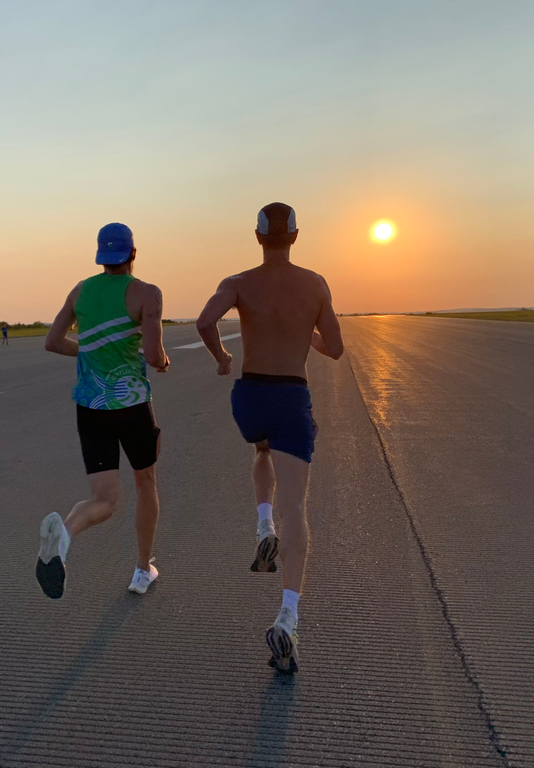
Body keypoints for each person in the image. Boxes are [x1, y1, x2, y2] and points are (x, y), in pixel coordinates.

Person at [195, 202, 344, 673]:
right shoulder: (315, 283)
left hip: (251, 395)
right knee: (297, 505)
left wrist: (221, 356)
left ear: (258, 237)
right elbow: (335, 349)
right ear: (295, 236)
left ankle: (263, 527)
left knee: (260, 449)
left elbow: (204, 321)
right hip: (291, 395)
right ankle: (287, 618)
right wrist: (308, 337)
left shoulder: (238, 282)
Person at [37, 223, 170, 600]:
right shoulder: (147, 293)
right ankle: (143, 570)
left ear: (100, 256)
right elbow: (156, 354)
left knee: (104, 501)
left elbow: (52, 342)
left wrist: (89, 350)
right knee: (146, 482)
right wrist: (162, 362)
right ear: (132, 254)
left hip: (90, 406)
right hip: (131, 405)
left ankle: (62, 537)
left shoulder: (81, 290)